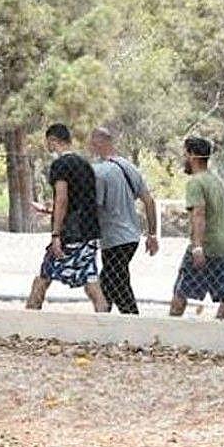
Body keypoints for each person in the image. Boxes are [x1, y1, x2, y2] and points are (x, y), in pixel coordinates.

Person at [26, 124, 109, 313]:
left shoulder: (60, 165)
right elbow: (80, 199)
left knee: (43, 277)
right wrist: (50, 209)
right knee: (91, 282)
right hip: (89, 231)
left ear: (53, 141)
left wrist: (56, 234)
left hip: (71, 233)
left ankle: (29, 321)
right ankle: (105, 321)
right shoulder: (85, 165)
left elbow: (62, 198)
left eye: (48, 143)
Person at [89, 126, 159, 315]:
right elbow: (149, 201)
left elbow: (95, 206)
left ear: (98, 143)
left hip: (112, 237)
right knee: (114, 279)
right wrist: (152, 234)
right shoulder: (129, 167)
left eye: (92, 142)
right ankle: (106, 321)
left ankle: (129, 321)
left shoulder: (99, 172)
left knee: (114, 282)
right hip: (131, 237)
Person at [169, 137, 224, 319]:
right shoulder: (217, 181)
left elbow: (198, 214)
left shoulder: (195, 182)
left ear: (192, 155)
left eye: (184, 153)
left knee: (181, 292)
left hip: (206, 246)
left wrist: (197, 247)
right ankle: (219, 326)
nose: (183, 158)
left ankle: (168, 333)